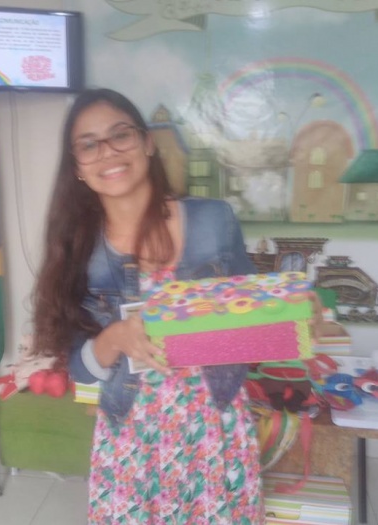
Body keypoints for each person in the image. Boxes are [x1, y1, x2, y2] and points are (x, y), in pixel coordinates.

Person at [33, 88, 264, 524]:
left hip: (215, 427)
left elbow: (253, 319)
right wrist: (115, 338)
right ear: (77, 166)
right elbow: (81, 368)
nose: (108, 152)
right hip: (133, 437)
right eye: (89, 145)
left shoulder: (213, 220)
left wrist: (295, 314)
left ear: (147, 143)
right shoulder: (80, 249)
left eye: (120, 135)